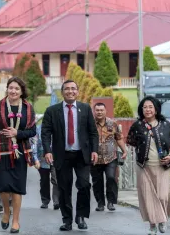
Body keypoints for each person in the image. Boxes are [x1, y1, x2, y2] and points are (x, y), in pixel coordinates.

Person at [41, 79, 99, 231]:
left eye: (73, 88)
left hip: (82, 154)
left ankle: (80, 216)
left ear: (77, 92)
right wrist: (47, 151)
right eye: (67, 89)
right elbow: (45, 133)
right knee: (64, 188)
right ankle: (67, 220)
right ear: (62, 92)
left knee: (84, 185)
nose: (70, 91)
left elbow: (93, 132)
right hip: (62, 155)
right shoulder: (52, 111)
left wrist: (94, 150)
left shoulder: (85, 108)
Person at [0, 77, 37, 234]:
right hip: (1, 151)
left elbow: (32, 131)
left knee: (17, 189)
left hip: (20, 152)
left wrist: (17, 133)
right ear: (7, 89)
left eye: (17, 89)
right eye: (11, 88)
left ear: (21, 91)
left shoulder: (28, 108)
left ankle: (16, 221)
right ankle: (6, 211)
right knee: (3, 187)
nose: (13, 91)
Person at [126, 96, 170, 235]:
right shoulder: (137, 126)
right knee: (147, 196)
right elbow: (130, 142)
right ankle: (152, 226)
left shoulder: (166, 125)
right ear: (141, 109)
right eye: (145, 107)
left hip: (162, 167)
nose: (148, 109)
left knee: (163, 196)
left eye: (150, 107)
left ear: (156, 109)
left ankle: (162, 219)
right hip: (143, 166)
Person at [91, 103, 127, 212]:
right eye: (97, 110)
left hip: (111, 157)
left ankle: (111, 202)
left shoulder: (113, 124)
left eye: (101, 110)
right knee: (97, 182)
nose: (99, 112)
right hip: (94, 159)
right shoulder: (90, 124)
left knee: (111, 178)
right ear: (94, 111)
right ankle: (100, 203)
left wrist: (124, 150)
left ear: (105, 111)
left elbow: (119, 138)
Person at [30, 119, 60, 210]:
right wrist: (35, 159)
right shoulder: (38, 129)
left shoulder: (58, 128)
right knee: (44, 180)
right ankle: (45, 201)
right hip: (42, 158)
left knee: (56, 179)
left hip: (56, 157)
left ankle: (56, 201)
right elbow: (34, 145)